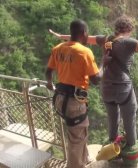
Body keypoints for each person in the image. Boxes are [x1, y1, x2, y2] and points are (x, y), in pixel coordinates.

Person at [49, 15, 138, 154]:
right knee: (129, 118)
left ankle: (112, 144)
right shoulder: (129, 43)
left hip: (106, 88)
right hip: (123, 88)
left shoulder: (106, 39)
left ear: (116, 28)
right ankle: (131, 147)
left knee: (112, 119)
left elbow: (86, 38)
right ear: (129, 30)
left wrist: (62, 36)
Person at [45, 19, 101, 168]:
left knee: (79, 132)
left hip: (60, 98)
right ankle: (75, 165)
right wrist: (105, 65)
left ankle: (84, 159)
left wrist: (50, 83)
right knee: (76, 138)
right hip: (74, 101)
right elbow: (96, 79)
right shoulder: (84, 51)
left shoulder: (58, 48)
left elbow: (48, 70)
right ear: (84, 33)